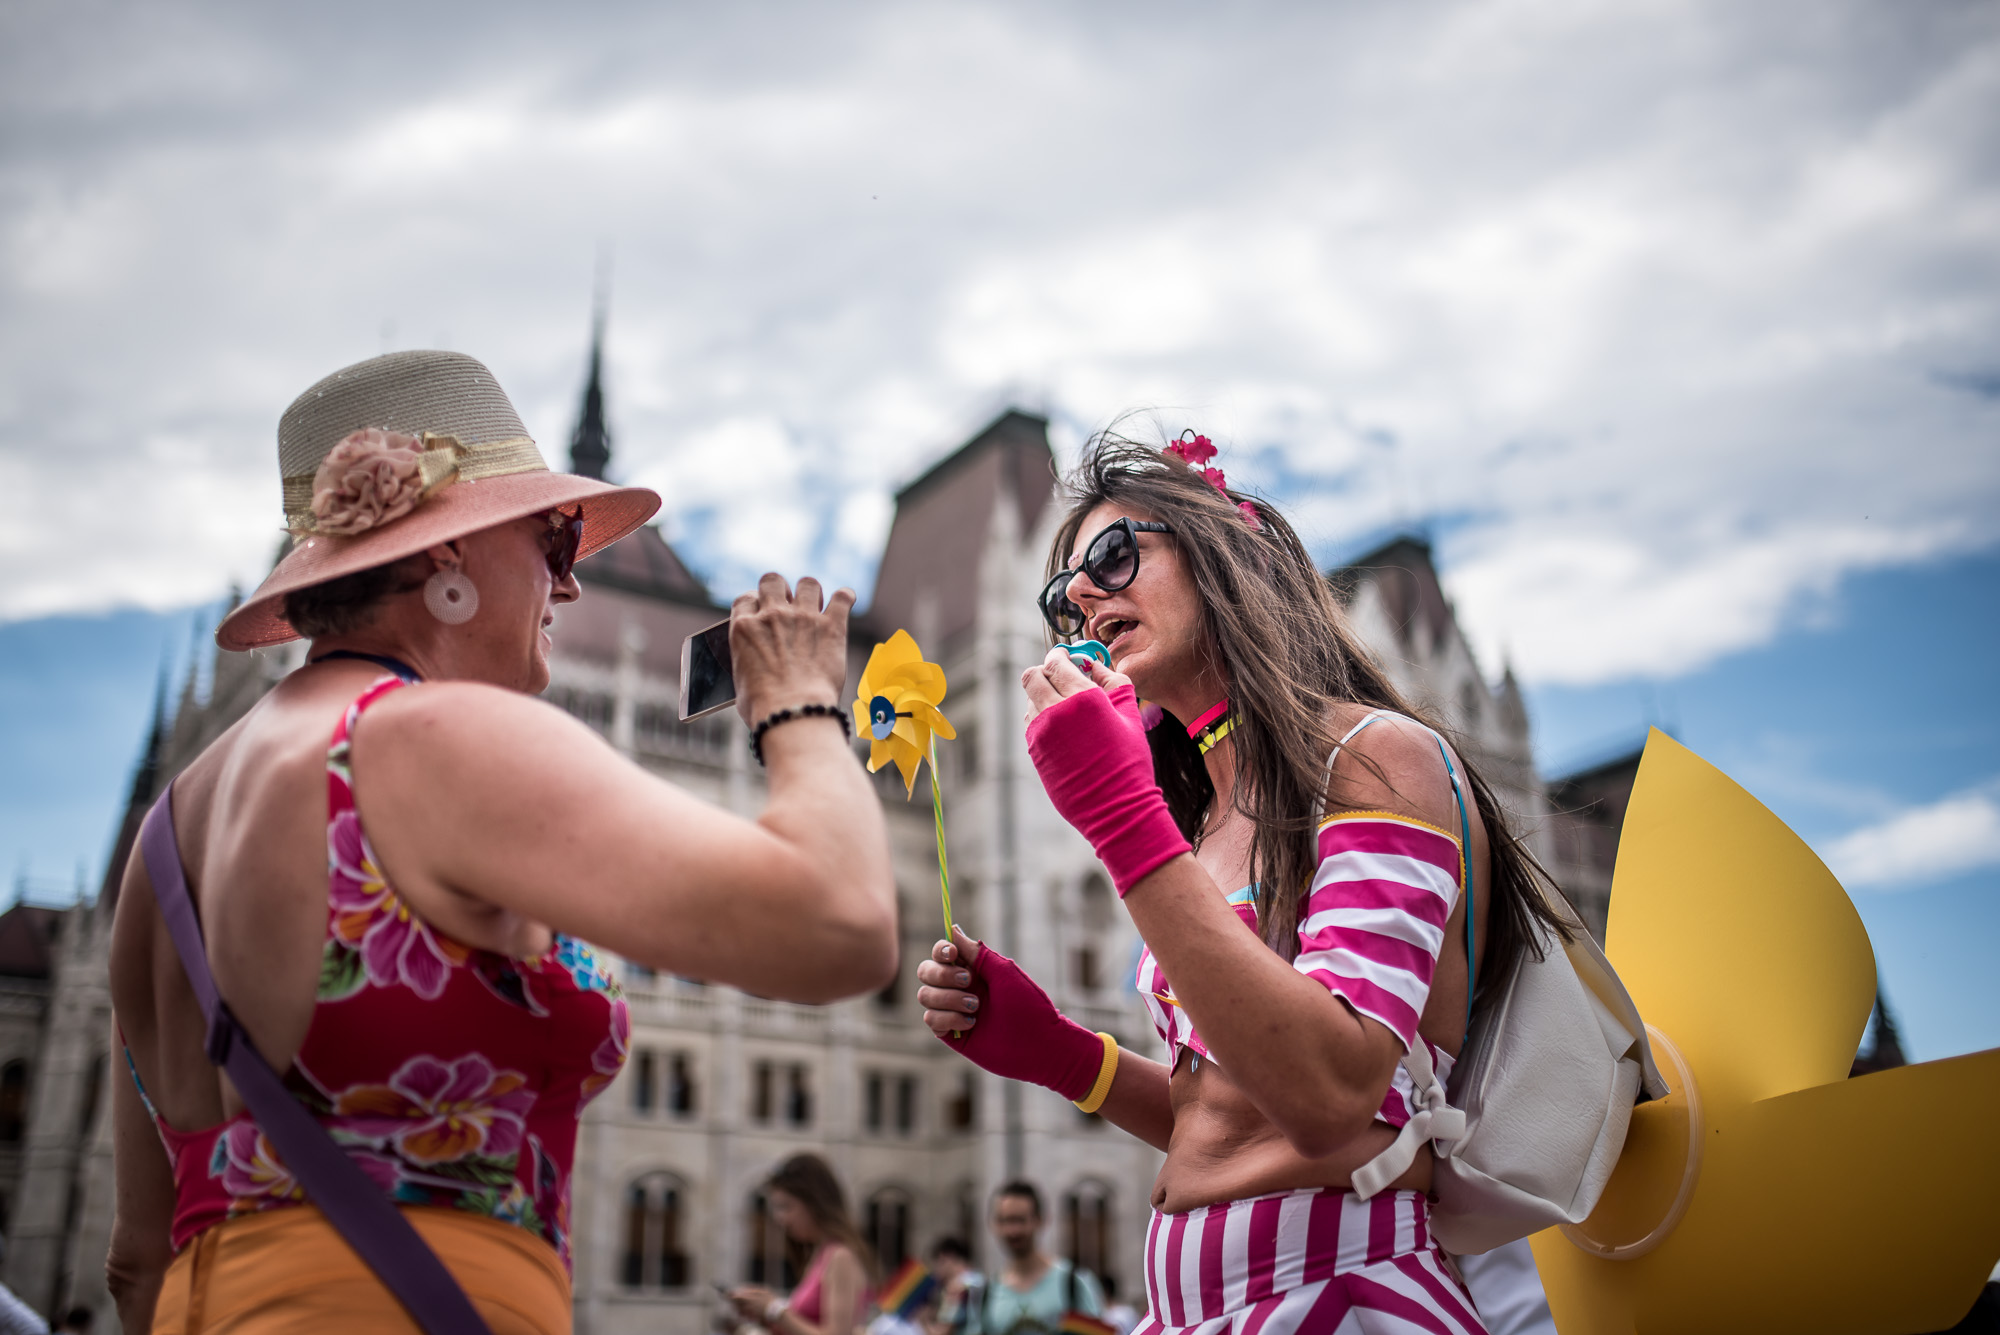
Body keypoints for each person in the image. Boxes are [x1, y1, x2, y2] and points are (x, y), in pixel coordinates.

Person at [106, 351, 898, 1334]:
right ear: (448, 558)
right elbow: (843, 924)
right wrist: (798, 700)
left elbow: (135, 1258)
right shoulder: (428, 737)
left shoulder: (164, 838)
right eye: (555, 542)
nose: (568, 587)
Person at [919, 431, 1576, 1335]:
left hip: (1343, 1298)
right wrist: (1063, 1053)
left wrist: (1117, 813)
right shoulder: (1204, 824)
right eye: (1060, 589)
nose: (1078, 593)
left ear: (1227, 559)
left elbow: (1332, 1094)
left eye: (1113, 555)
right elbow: (1220, 1112)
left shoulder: (1377, 756)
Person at [730, 1154, 877, 1335]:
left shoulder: (841, 1256)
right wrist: (763, 1313)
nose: (779, 1218)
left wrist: (774, 1310)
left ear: (814, 1202)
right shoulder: (821, 1252)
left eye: (786, 1206)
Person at [968, 1182, 1103, 1335]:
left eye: (1019, 1220)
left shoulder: (1073, 1283)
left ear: (1040, 1220)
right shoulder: (987, 1293)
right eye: (1004, 1221)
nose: (1012, 1231)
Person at [923, 1237, 980, 1335]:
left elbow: (941, 1333)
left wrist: (922, 1319)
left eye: (937, 1263)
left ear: (946, 1257)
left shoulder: (956, 1288)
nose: (935, 1271)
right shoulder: (979, 1280)